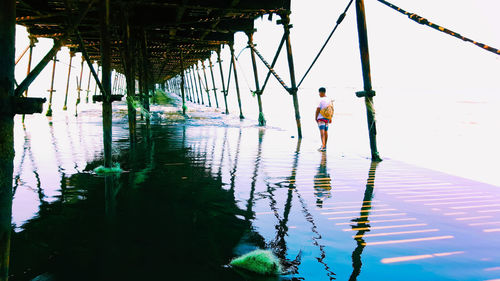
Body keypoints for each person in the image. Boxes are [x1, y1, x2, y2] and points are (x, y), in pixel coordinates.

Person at [315, 87, 332, 152]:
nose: (319, 94)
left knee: (322, 132)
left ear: (321, 92)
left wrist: (316, 117)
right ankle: (325, 146)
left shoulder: (320, 100)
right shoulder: (329, 100)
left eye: (319, 93)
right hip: (327, 117)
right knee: (326, 131)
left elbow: (318, 109)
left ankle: (323, 147)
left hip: (321, 118)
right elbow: (331, 109)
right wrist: (330, 118)